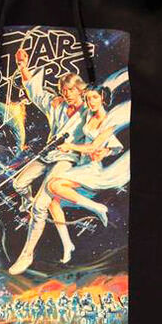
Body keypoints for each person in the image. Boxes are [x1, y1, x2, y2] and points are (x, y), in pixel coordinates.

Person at [8, 47, 88, 274]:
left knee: (40, 205)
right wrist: (23, 67)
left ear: (80, 89)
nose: (67, 94)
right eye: (64, 90)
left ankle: (27, 254)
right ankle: (27, 203)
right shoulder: (57, 105)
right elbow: (35, 93)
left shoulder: (88, 111)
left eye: (71, 90)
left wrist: (74, 147)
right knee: (18, 183)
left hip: (67, 160)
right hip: (49, 154)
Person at [45, 84, 130, 226]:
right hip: (81, 163)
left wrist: (70, 146)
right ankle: (66, 240)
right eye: (88, 98)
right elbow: (114, 147)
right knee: (53, 204)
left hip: (91, 168)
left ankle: (98, 208)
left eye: (95, 97)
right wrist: (108, 151)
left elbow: (93, 146)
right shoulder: (90, 114)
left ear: (102, 98)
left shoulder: (109, 121)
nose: (91, 102)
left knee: (54, 185)